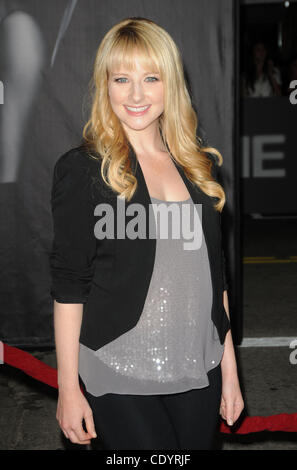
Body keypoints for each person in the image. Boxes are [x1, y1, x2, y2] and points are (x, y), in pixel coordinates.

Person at [50, 17, 244, 450]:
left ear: (169, 84)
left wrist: (229, 372)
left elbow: (216, 282)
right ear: (106, 86)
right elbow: (68, 287)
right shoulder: (84, 170)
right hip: (116, 368)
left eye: (150, 78)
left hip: (199, 367)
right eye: (122, 78)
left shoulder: (198, 167)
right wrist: (68, 389)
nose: (136, 94)